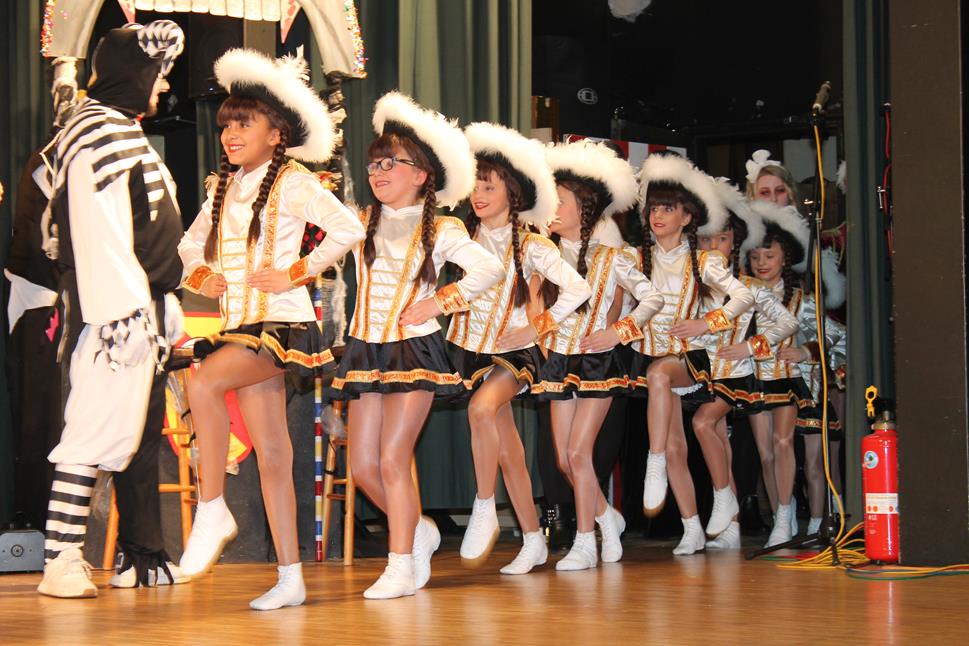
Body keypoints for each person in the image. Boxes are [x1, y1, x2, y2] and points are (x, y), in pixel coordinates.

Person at [176, 48, 365, 610]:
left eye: (244, 124)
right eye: (226, 125)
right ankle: (290, 576)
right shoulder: (221, 187)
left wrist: (295, 272)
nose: (231, 134)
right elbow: (188, 245)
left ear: (276, 133)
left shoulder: (293, 182)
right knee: (275, 455)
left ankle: (212, 506)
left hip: (281, 323)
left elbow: (348, 228)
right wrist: (204, 274)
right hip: (240, 324)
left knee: (204, 381)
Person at [330, 92, 504, 599]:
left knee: (392, 458)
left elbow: (488, 269)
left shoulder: (443, 227)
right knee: (363, 467)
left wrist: (439, 302)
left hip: (414, 350)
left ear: (422, 175)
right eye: (374, 164)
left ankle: (400, 563)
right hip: (366, 349)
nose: (379, 172)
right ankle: (420, 531)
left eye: (391, 163)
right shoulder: (359, 220)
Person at [36, 21, 188, 598]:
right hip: (113, 313)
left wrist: (161, 304)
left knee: (127, 433)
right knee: (93, 428)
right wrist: (122, 313)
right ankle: (60, 559)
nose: (163, 85)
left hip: (135, 306)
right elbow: (99, 229)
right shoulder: (99, 133)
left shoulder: (116, 129)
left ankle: (130, 558)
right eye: (157, 74)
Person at [450, 122, 591, 574]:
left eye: (489, 186)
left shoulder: (531, 245)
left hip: (516, 352)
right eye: (475, 186)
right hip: (471, 349)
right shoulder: (460, 236)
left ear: (512, 194)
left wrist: (536, 328)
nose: (478, 194)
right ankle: (533, 539)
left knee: (480, 409)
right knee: (508, 447)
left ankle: (484, 506)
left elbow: (578, 288)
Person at [538, 139, 664, 571]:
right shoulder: (544, 255)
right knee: (562, 458)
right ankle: (608, 517)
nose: (552, 209)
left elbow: (652, 299)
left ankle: (585, 542)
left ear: (585, 209)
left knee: (579, 454)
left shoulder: (614, 258)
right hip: (559, 360)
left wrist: (617, 332)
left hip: (597, 362)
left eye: (560, 201)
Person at [631, 153, 754, 555]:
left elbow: (744, 297)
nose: (658, 216)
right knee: (676, 446)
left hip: (691, 358)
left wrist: (706, 323)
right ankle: (691, 527)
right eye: (654, 209)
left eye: (668, 209)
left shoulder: (704, 261)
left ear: (687, 217)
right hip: (654, 356)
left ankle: (656, 465)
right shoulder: (637, 259)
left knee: (660, 376)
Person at [691, 179, 799, 550]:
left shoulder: (751, 286)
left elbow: (788, 322)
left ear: (735, 242)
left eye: (721, 239)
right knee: (727, 442)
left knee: (771, 443)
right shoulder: (695, 284)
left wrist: (750, 347)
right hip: (710, 376)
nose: (712, 247)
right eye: (705, 240)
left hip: (752, 376)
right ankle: (731, 525)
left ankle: (783, 517)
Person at [745, 199, 823, 547]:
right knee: (764, 452)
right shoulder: (743, 295)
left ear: (785, 259)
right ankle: (782, 515)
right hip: (754, 379)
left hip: (788, 380)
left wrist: (805, 351)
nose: (762, 263)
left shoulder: (800, 299)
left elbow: (831, 336)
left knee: (782, 442)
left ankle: (784, 515)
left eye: (769, 256)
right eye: (755, 257)